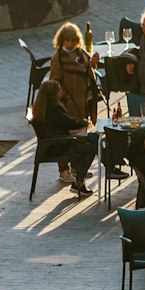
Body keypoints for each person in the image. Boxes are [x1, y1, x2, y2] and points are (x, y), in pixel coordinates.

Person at [49, 22, 100, 182]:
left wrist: (93, 64)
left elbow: (87, 71)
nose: (70, 43)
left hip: (83, 102)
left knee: (81, 136)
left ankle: (79, 168)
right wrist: (66, 100)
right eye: (67, 40)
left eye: (72, 40)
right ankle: (64, 170)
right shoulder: (58, 58)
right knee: (66, 139)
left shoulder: (80, 53)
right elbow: (54, 83)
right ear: (61, 41)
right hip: (68, 105)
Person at [30, 80, 98, 198]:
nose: (61, 91)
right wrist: (84, 121)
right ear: (54, 93)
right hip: (59, 146)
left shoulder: (41, 107)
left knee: (94, 137)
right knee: (91, 149)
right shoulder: (54, 109)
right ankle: (79, 182)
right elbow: (69, 122)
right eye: (59, 89)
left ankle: (86, 173)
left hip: (51, 144)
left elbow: (64, 122)